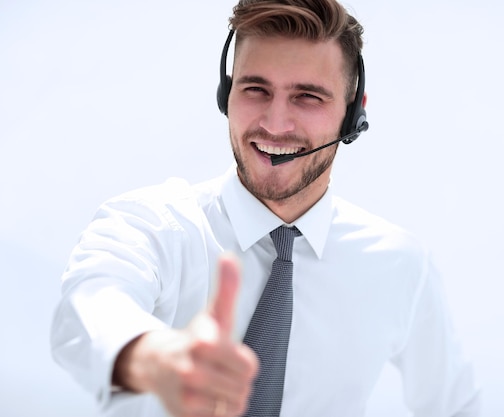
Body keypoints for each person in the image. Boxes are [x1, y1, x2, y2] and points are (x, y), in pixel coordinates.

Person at [50, 0, 481, 416]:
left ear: (352, 116)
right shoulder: (151, 224)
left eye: (307, 97)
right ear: (226, 94)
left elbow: (456, 405)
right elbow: (87, 311)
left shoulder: (400, 264)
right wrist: (159, 359)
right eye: (255, 89)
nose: (274, 124)